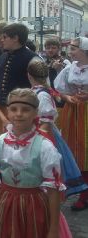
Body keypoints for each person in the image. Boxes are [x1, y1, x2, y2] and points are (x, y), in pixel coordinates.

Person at [0, 88, 64, 238]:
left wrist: (53, 229)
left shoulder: (44, 146)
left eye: (25, 110)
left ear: (35, 113)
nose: (18, 114)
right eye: (13, 109)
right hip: (3, 204)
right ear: (8, 112)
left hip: (33, 206)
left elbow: (53, 191)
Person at [28, 60, 88, 198]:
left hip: (45, 135)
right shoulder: (39, 91)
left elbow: (46, 122)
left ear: (29, 75)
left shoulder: (42, 94)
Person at [54, 37, 88, 211]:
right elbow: (60, 89)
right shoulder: (69, 69)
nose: (70, 51)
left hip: (87, 113)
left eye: (74, 48)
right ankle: (78, 186)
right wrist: (67, 97)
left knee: (86, 149)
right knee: (72, 148)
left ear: (84, 50)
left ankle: (84, 194)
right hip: (72, 111)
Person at [0, 23, 39, 135]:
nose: (1, 40)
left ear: (15, 38)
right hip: (1, 109)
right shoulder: (3, 56)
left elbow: (40, 86)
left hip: (21, 111)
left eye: (5, 37)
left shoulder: (32, 58)